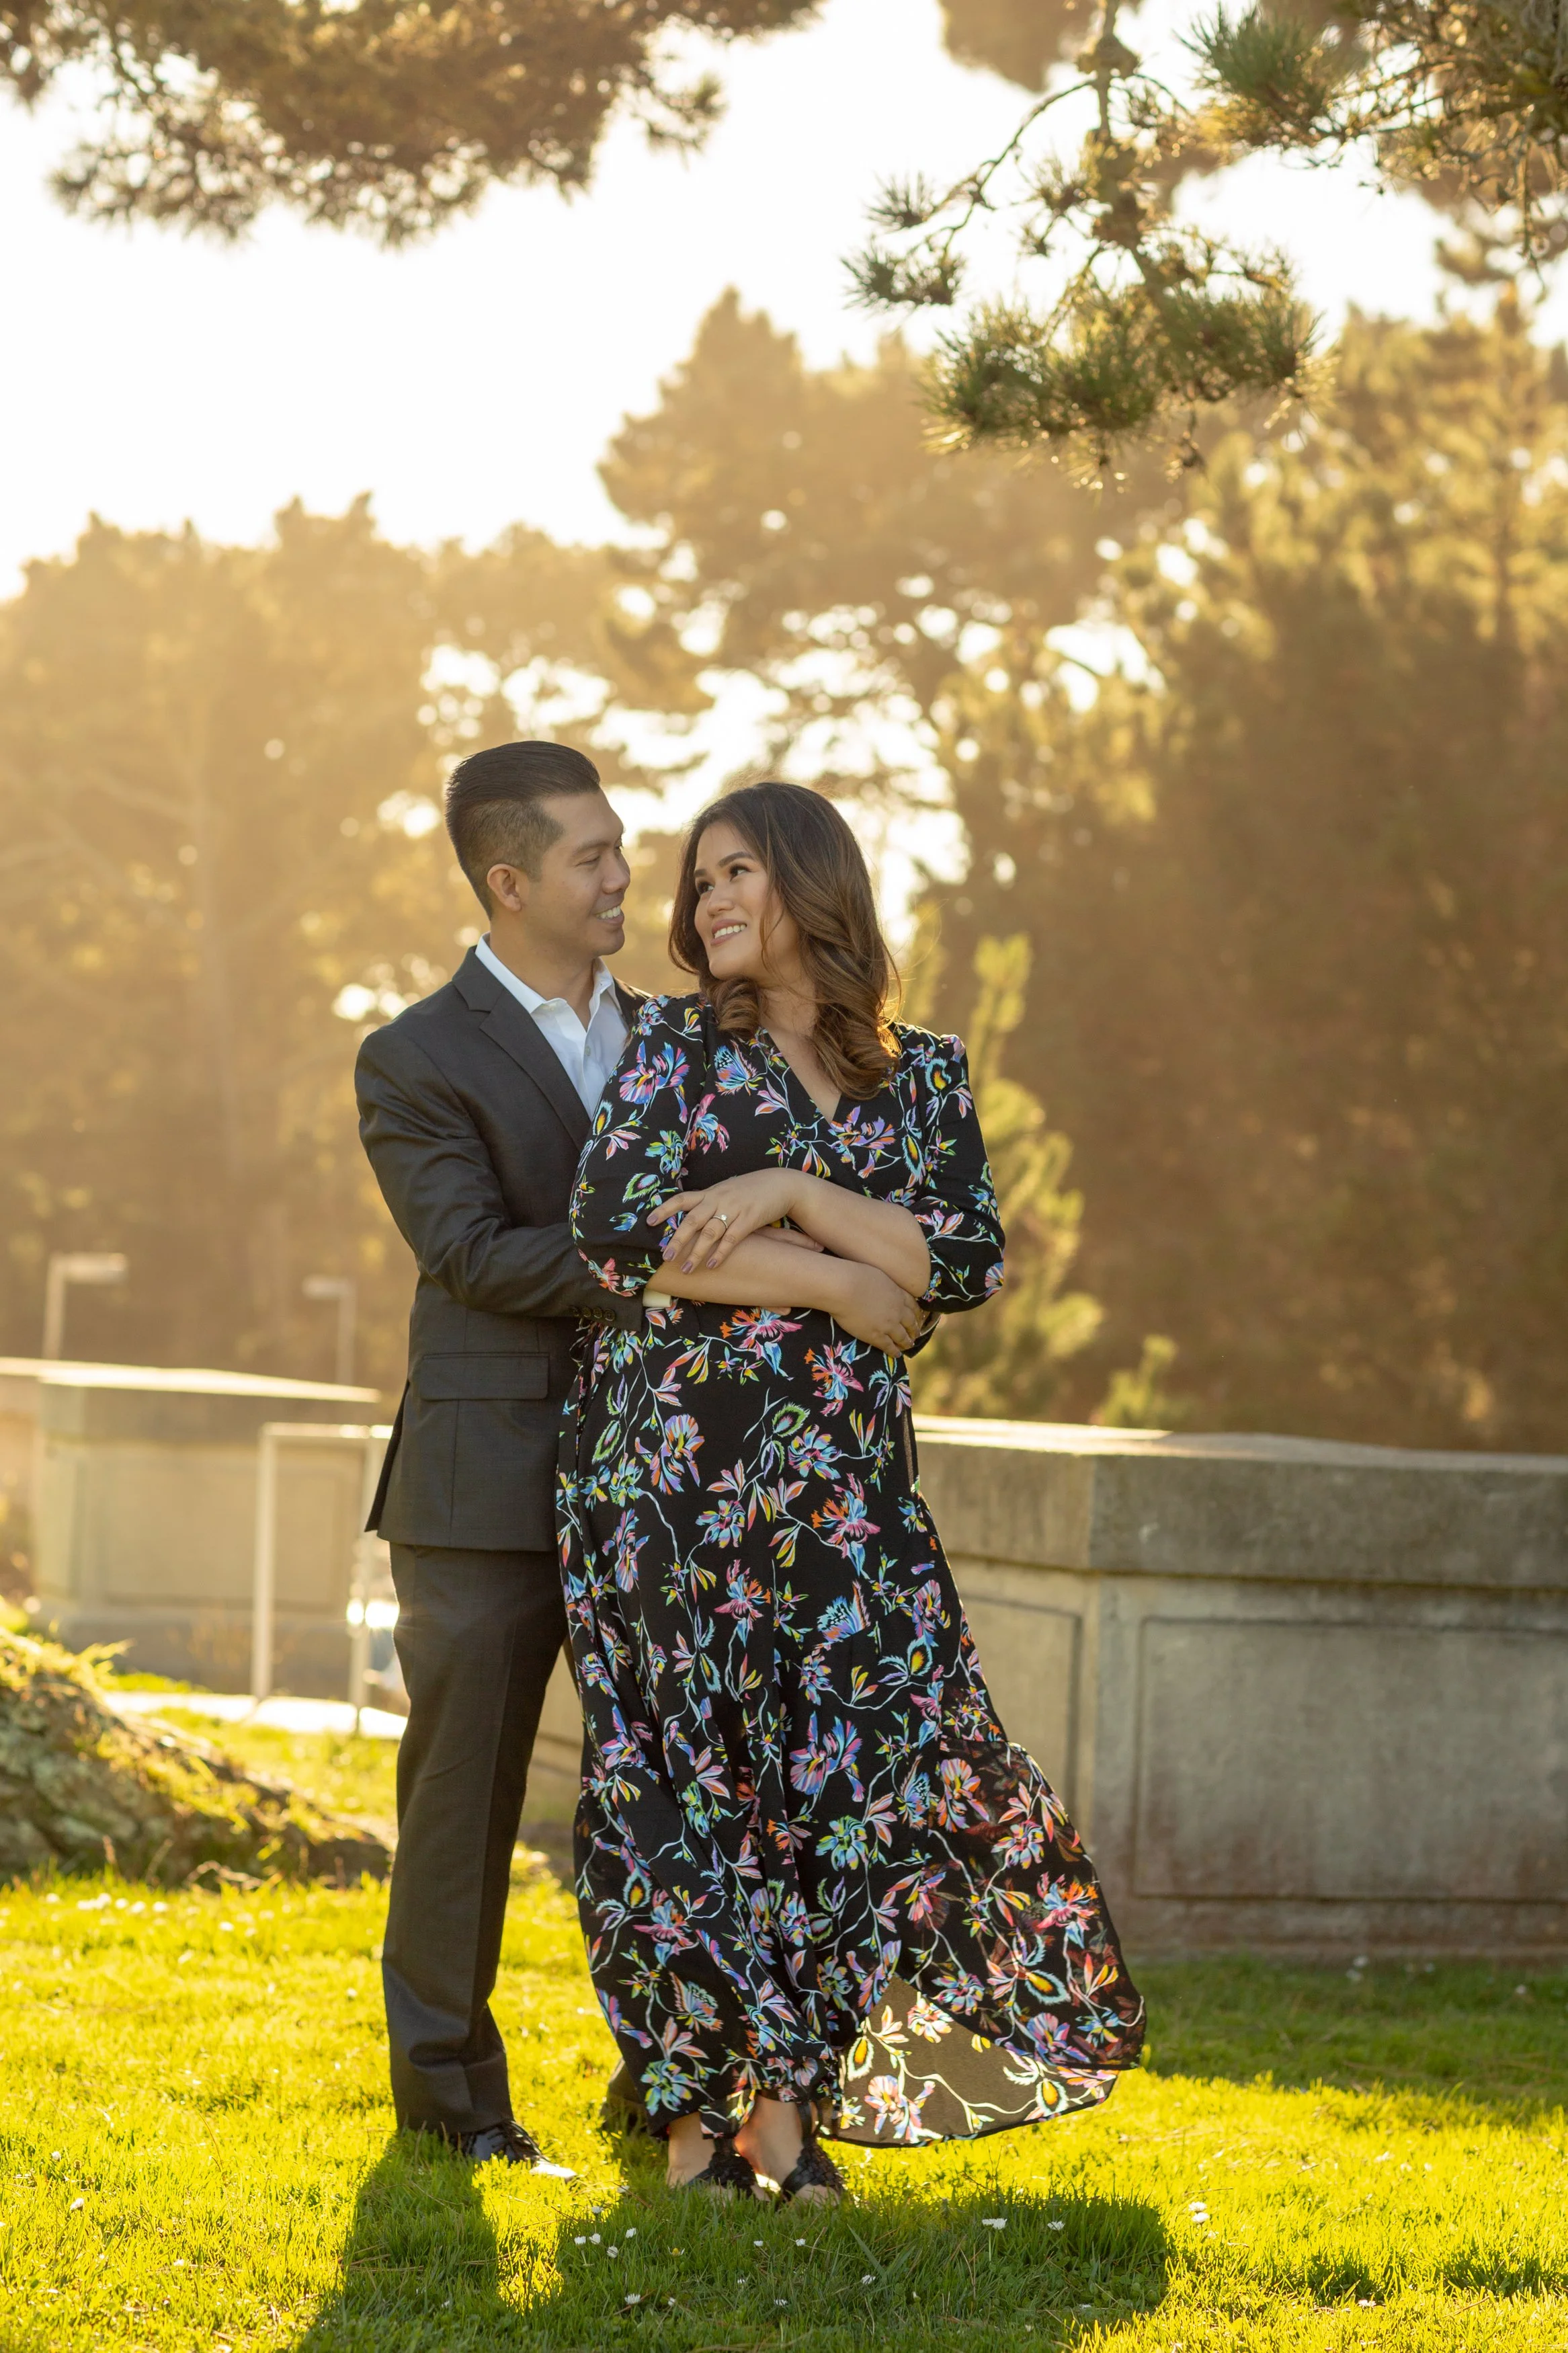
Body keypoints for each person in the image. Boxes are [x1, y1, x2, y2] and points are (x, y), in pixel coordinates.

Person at [559, 779, 1146, 2207]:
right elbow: (621, 1233)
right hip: (674, 1480)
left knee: (860, 1778)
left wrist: (787, 1192)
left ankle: (783, 2096)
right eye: (698, 881)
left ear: (811, 881)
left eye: (735, 873)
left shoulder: (924, 1076)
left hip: (849, 1495)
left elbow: (958, 1262)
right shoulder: (675, 1046)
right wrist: (835, 1277)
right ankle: (709, 2122)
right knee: (681, 1780)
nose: (706, 902)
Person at [355, 741, 925, 2170]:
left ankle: (669, 2088)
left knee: (668, 1793)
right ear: (510, 882)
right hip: (486, 1486)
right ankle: (452, 2106)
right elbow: (471, 1251)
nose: (629, 875)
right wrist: (690, 1266)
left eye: (623, 847)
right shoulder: (413, 1055)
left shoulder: (697, 1031)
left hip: (682, 1485)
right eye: (592, 857)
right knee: (464, 1802)